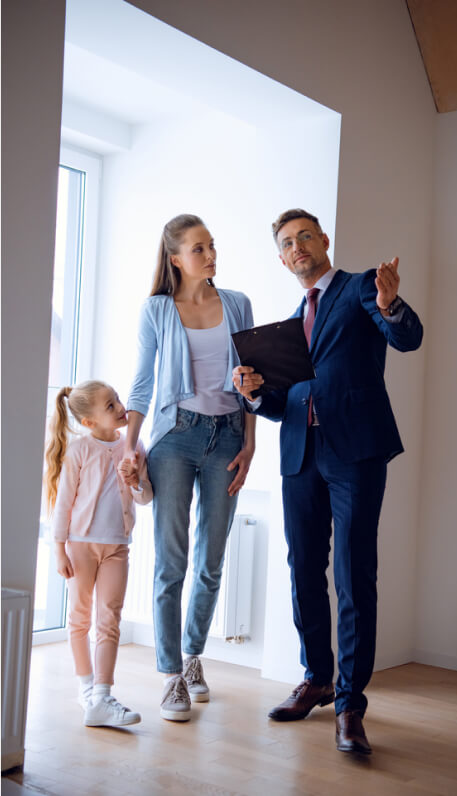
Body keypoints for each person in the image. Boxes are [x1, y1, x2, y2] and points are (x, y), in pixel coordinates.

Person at [233, 208, 423, 754]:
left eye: (304, 237)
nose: (297, 248)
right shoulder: (292, 322)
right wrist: (253, 392)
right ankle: (317, 676)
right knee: (302, 571)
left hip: (356, 453)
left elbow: (406, 337)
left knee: (353, 573)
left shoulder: (362, 288)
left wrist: (390, 304)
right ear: (281, 257)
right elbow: (285, 399)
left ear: (323, 240)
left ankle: (349, 703)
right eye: (287, 243)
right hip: (300, 454)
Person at [119, 213, 256, 722]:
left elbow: (252, 382)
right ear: (176, 258)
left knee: (211, 558)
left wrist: (250, 443)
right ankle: (171, 676)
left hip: (227, 438)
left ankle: (194, 656)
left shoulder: (238, 304)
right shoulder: (157, 310)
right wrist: (130, 448)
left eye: (212, 245)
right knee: (170, 561)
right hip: (174, 438)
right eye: (199, 249)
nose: (211, 254)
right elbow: (141, 384)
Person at [45, 380, 153, 728]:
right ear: (90, 422)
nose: (121, 407)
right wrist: (58, 548)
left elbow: (145, 497)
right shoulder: (79, 450)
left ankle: (103, 696)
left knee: (109, 618)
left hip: (117, 547)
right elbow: (63, 505)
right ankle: (87, 688)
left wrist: (135, 479)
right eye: (110, 405)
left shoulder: (134, 447)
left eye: (117, 399)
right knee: (80, 618)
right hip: (80, 545)